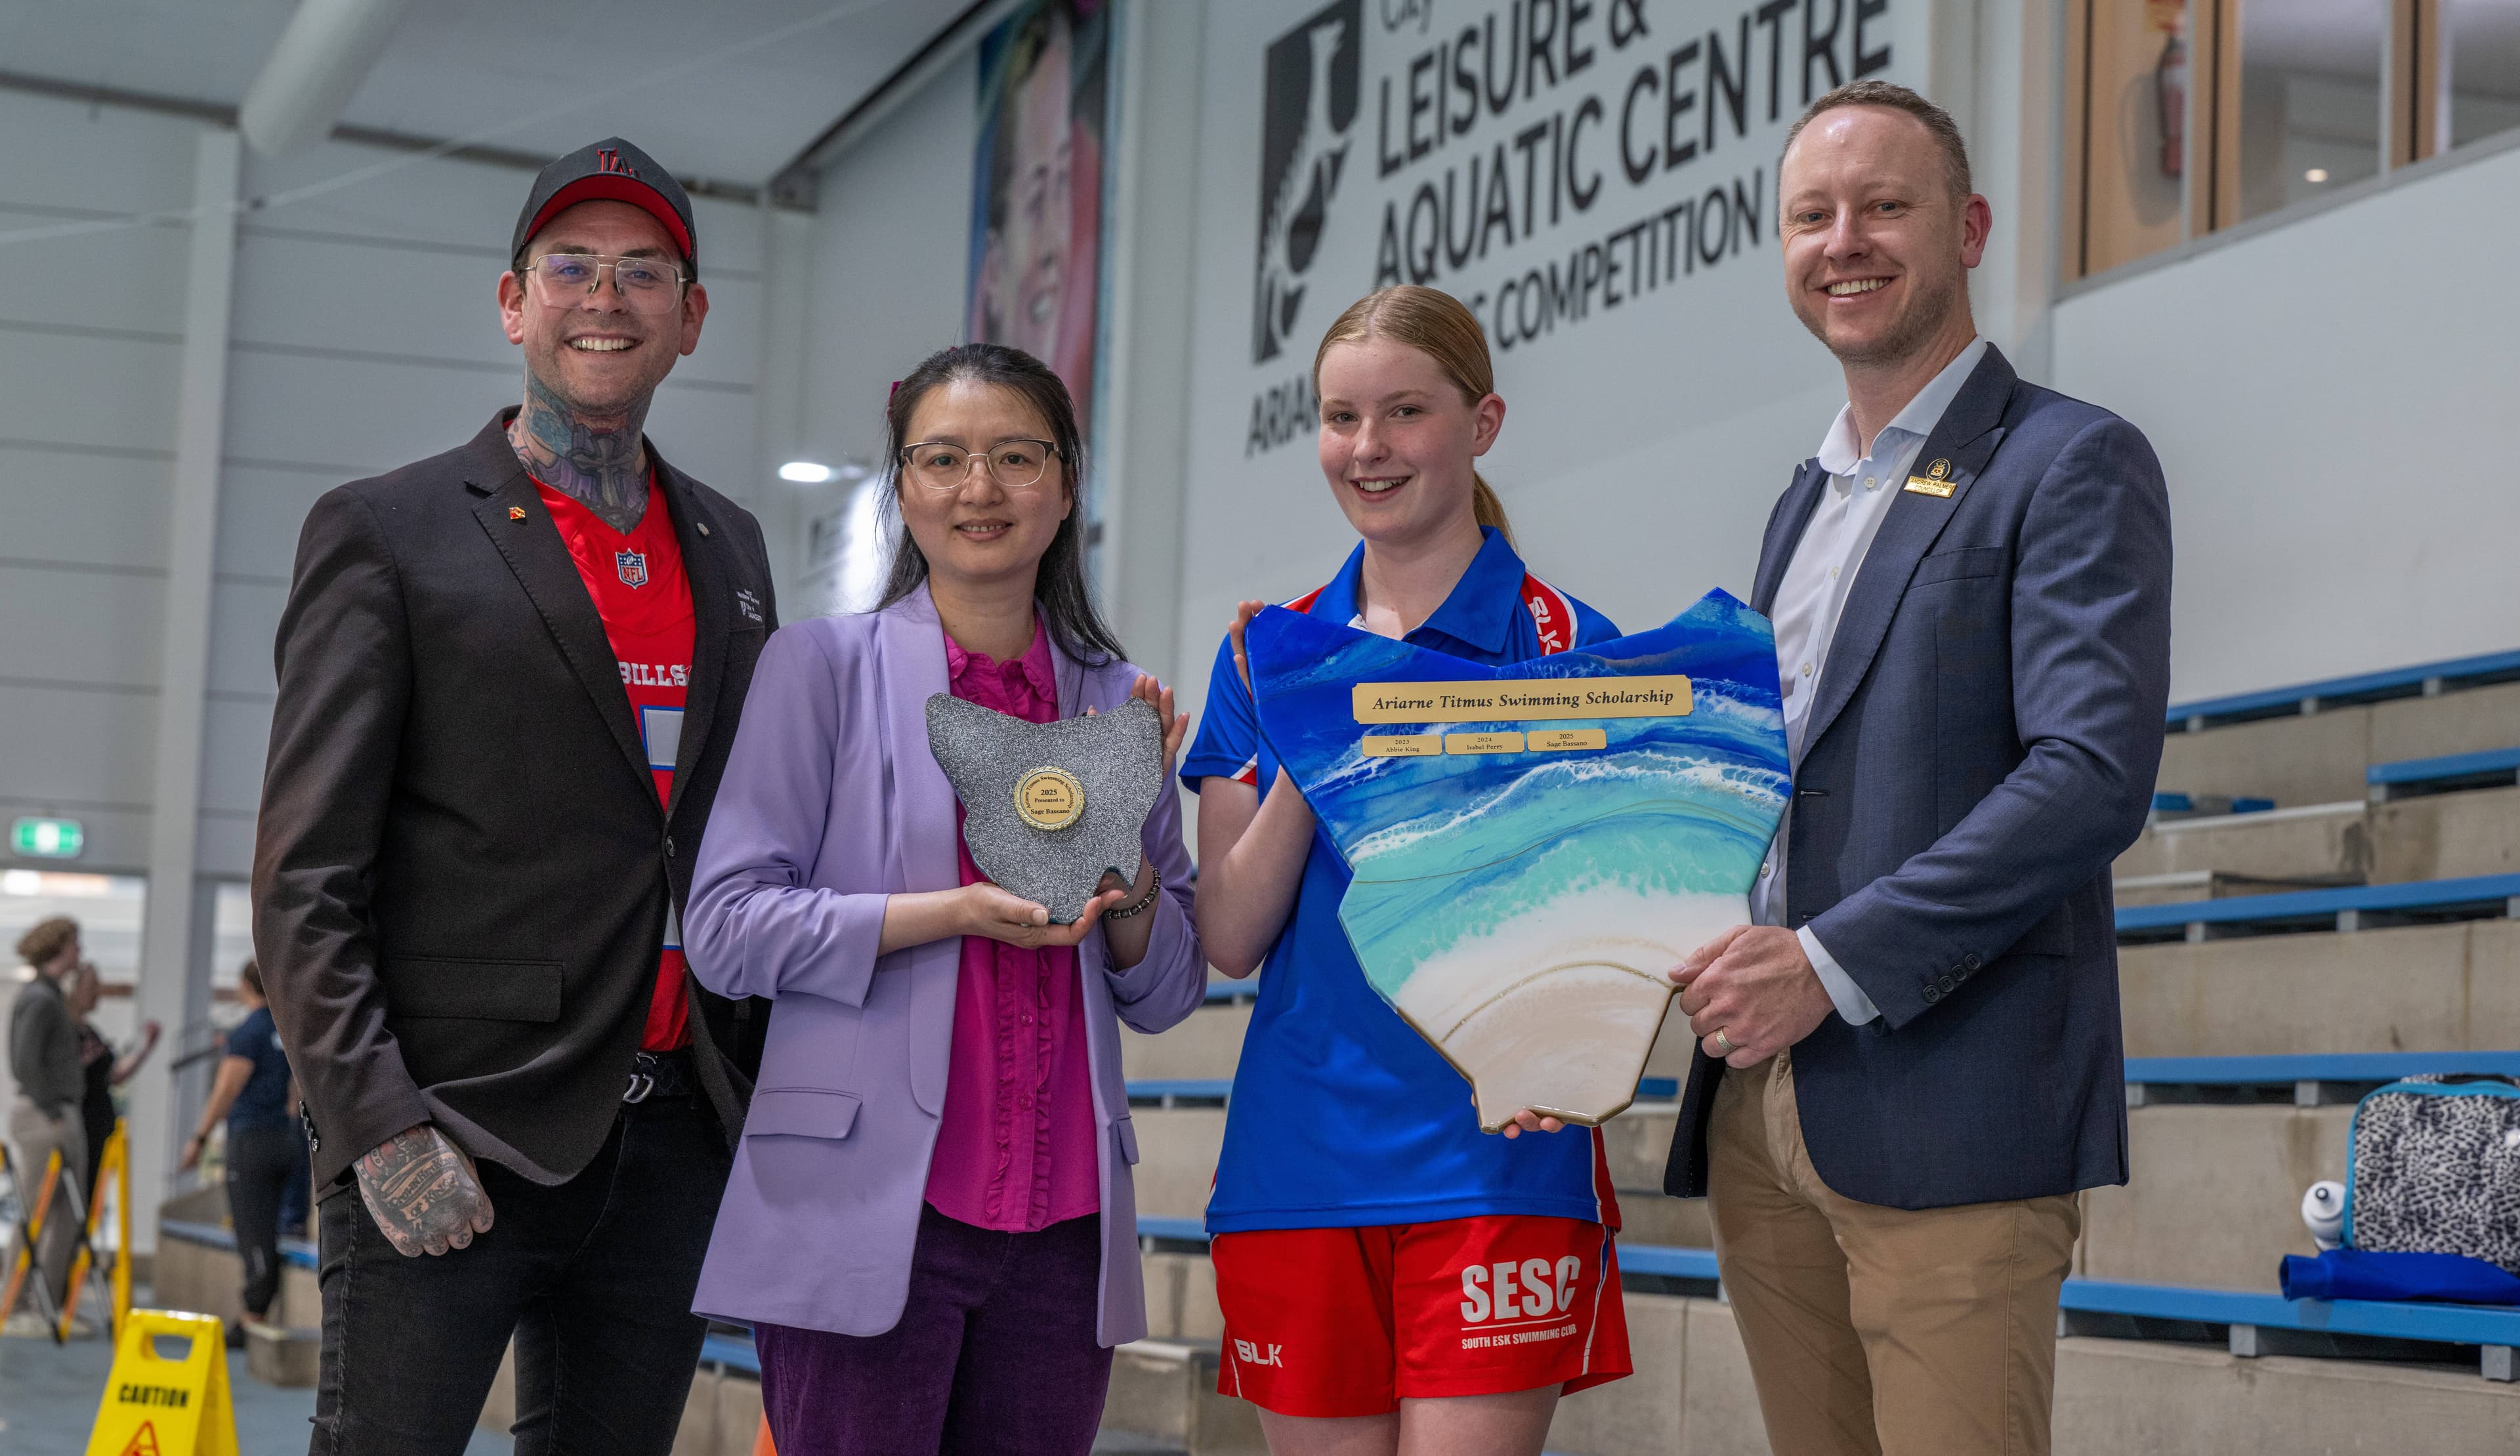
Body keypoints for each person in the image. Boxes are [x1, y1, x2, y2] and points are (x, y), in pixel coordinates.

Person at [1658, 81, 2172, 1456]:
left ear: (1970, 227)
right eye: (1813, 215)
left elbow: (2088, 776)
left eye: (1886, 205)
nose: (1847, 241)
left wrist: (1825, 961)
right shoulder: (1802, 502)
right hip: (1767, 1114)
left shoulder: (2067, 461)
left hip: (1950, 1109)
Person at [253, 136, 781, 1456]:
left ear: (691, 318)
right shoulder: (390, 529)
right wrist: (379, 1125)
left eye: (644, 272)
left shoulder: (732, 544)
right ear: (513, 302)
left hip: (670, 1141)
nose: (605, 296)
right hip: (454, 1126)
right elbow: (304, 875)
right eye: (572, 266)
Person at [685, 341, 1206, 1456]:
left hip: (1064, 1232)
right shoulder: (816, 670)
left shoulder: (1119, 700)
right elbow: (726, 929)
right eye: (945, 457)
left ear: (1065, 488)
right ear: (904, 488)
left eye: (1018, 456)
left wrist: (1132, 873)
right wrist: (950, 910)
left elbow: (1165, 988)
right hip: (862, 1205)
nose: (981, 488)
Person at [1185, 285, 1631, 1455]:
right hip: (1304, 1155)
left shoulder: (1574, 650)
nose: (1367, 447)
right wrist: (1321, 717)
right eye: (1341, 417)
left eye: (1404, 412)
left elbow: (1614, 923)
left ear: (1480, 422)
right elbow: (1229, 931)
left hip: (1498, 1155)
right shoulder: (1264, 650)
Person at [178, 961, 303, 1344]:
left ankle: (253, 1313)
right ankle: (261, 1305)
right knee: (277, 1224)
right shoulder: (288, 1029)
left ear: (244, 986)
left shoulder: (248, 1032)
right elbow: (298, 1092)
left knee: (253, 1228)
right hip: (288, 1138)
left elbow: (226, 1090)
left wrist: (199, 1139)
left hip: (252, 1141)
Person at [9, 916, 90, 1329]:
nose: (81, 953)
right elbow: (25, 1063)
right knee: (38, 1212)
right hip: (46, 1114)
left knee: (63, 1214)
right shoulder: (40, 998)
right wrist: (53, 1110)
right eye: (76, 945)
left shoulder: (51, 996)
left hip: (57, 1109)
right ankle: (15, 1304)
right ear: (59, 948)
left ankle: (44, 1306)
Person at [63, 961, 161, 1213]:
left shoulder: (89, 1032)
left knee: (86, 1205)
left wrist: (144, 1049)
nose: (98, 992)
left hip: (97, 1128)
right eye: (92, 986)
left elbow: (113, 1075)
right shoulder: (64, 1032)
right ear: (72, 989)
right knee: (69, 1205)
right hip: (76, 1126)